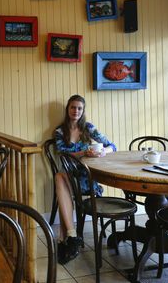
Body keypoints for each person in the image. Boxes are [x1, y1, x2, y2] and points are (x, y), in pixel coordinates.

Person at [54, 94, 116, 264]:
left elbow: (112, 145)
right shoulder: (60, 131)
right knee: (60, 177)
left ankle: (66, 238)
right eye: (73, 107)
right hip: (70, 174)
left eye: (79, 108)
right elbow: (63, 154)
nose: (76, 111)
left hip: (87, 175)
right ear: (67, 109)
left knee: (60, 183)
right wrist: (83, 152)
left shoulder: (88, 128)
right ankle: (71, 236)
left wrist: (103, 152)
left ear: (83, 111)